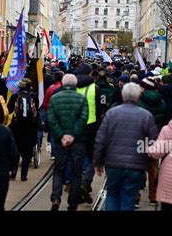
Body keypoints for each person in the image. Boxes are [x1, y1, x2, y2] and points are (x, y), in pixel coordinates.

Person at [93, 83, 158, 211]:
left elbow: (101, 140)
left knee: (112, 194)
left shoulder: (111, 113)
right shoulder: (146, 116)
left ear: (123, 96)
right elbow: (153, 142)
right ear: (138, 96)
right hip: (136, 165)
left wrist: (98, 162)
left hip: (113, 164)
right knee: (128, 197)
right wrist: (148, 160)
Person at [47, 74, 88, 211]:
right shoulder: (82, 99)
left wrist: (61, 136)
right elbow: (84, 119)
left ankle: (56, 198)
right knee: (77, 173)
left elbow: (51, 119)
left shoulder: (54, 98)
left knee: (59, 170)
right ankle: (72, 203)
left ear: (63, 84)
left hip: (60, 142)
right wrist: (73, 135)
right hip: (78, 142)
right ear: (76, 85)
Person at [75, 62, 105, 203]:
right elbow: (101, 110)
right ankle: (86, 181)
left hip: (75, 126)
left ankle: (76, 181)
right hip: (91, 126)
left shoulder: (72, 87)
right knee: (94, 156)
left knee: (77, 154)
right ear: (89, 74)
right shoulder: (95, 88)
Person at [138, 77, 168, 206]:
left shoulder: (138, 101)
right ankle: (153, 196)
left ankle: (136, 197)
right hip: (155, 138)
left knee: (138, 168)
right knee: (153, 168)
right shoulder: (162, 102)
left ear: (144, 88)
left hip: (139, 138)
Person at [8, 78, 39, 182]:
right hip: (30, 128)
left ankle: (13, 172)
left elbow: (8, 109)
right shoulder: (34, 96)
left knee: (15, 151)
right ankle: (24, 175)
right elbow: (37, 110)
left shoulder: (15, 96)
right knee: (27, 153)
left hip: (17, 127)